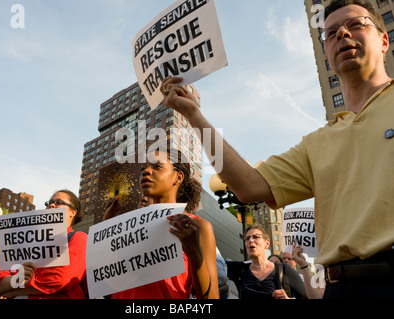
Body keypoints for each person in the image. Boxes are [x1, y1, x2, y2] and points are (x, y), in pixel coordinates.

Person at [160, 0, 394, 299]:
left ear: (383, 40)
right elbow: (246, 186)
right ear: (326, 55)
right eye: (332, 32)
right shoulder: (316, 143)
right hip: (340, 287)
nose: (343, 34)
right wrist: (194, 116)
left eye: (356, 24)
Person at [104, 147, 219, 299]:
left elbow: (212, 297)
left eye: (157, 166)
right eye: (143, 168)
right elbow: (108, 284)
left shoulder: (197, 226)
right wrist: (107, 225)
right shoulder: (130, 226)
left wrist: (194, 254)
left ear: (178, 177)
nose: (146, 171)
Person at [0, 190, 88, 299]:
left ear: (73, 212)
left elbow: (59, 279)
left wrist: (12, 292)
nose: (51, 205)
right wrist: (16, 278)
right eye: (49, 202)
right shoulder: (24, 241)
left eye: (58, 202)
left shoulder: (78, 238)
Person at [226, 224, 306, 299]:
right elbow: (214, 262)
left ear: (267, 243)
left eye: (256, 237)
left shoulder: (284, 269)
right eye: (247, 238)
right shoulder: (239, 269)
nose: (251, 240)